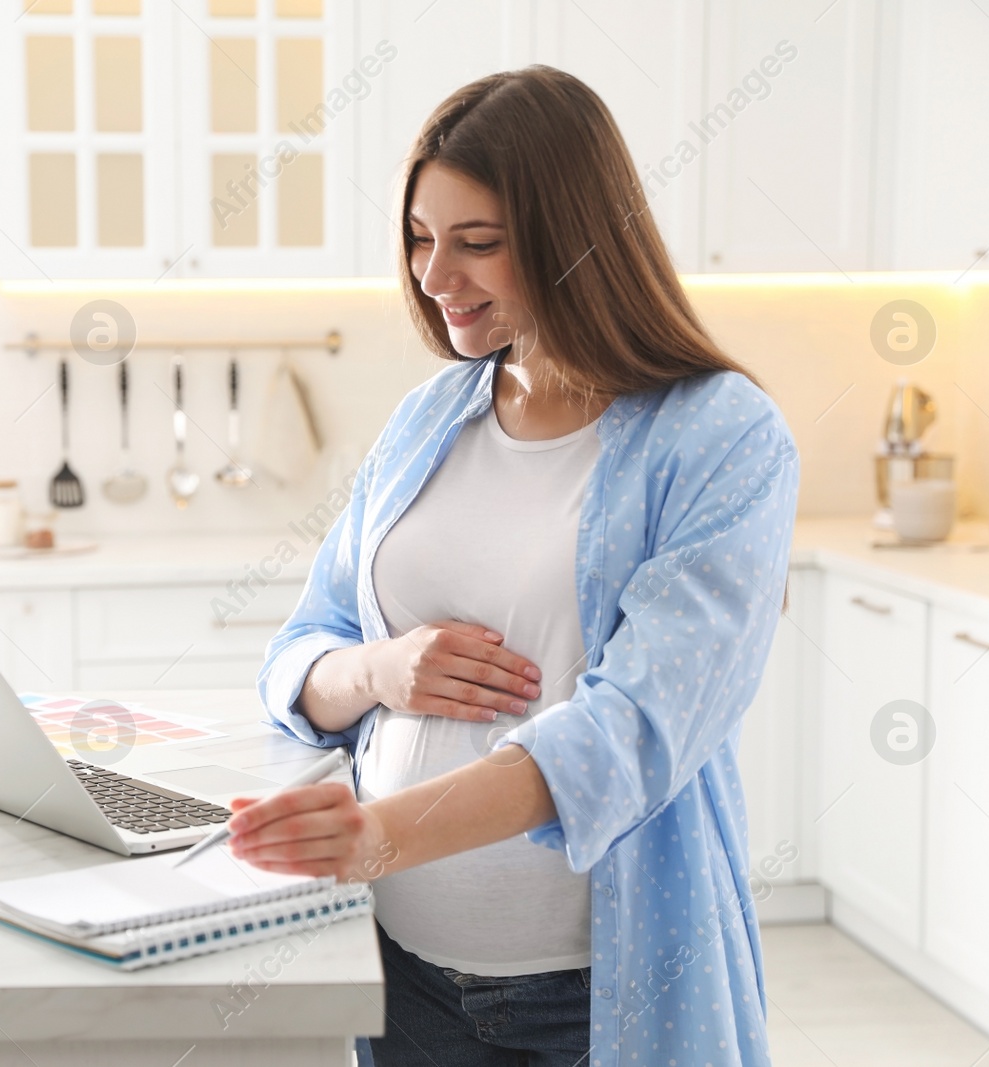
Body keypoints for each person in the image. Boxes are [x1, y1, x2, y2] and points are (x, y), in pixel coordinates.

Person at [228, 66, 799, 1067]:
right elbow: (300, 651)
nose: (433, 275)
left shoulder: (719, 436)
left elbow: (633, 727)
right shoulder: (426, 420)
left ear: (576, 236)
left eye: (477, 243)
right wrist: (377, 669)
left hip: (595, 990)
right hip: (399, 970)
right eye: (419, 238)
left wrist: (383, 832)